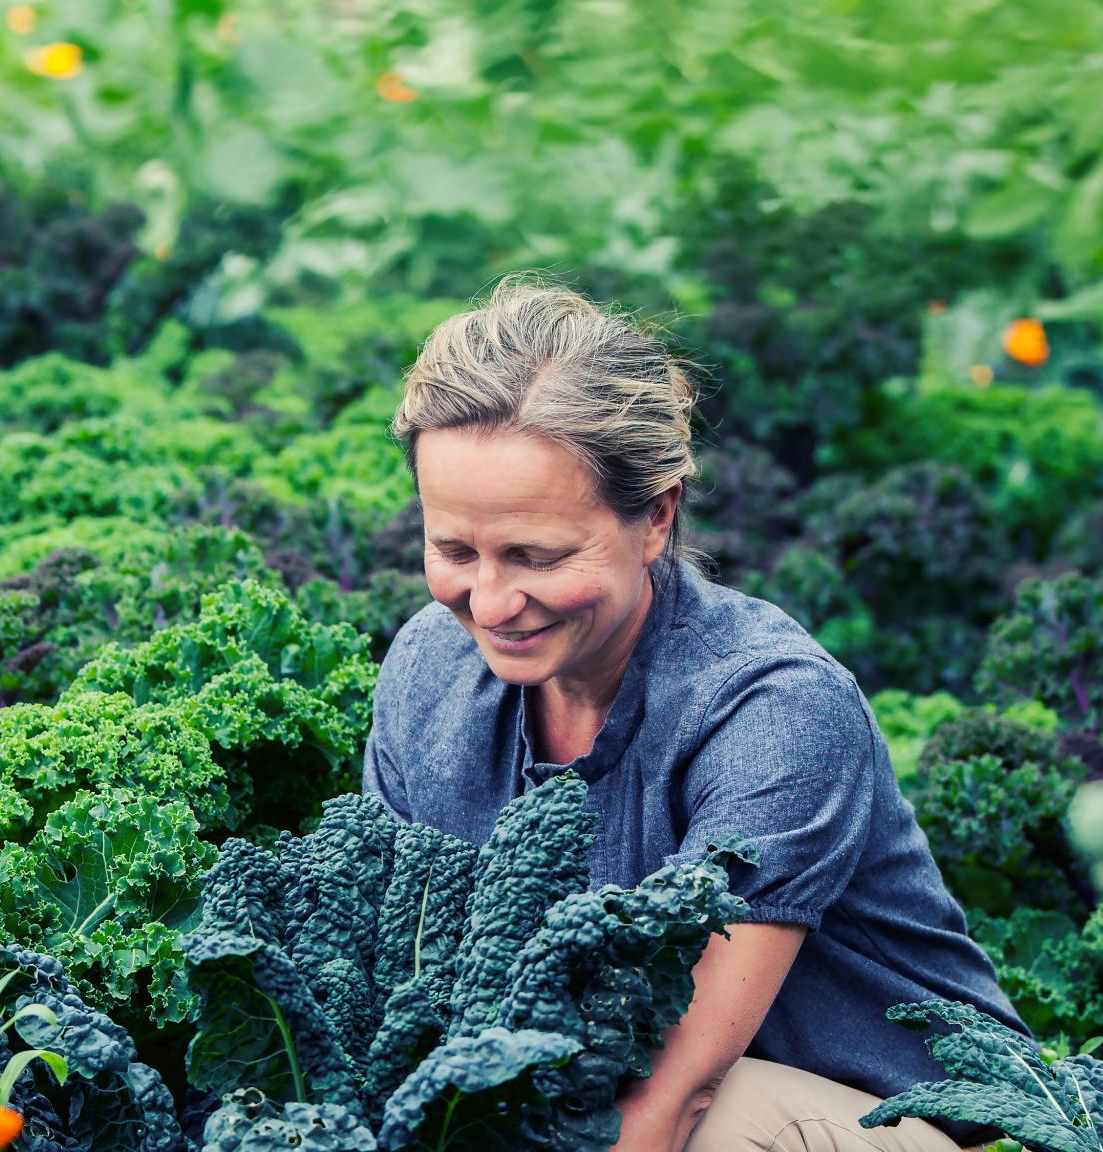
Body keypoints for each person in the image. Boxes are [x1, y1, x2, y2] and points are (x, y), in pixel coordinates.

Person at [361, 275, 1024, 1152]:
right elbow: (384, 993)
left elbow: (676, 1091)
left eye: (536, 554)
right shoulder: (427, 670)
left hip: (864, 1120)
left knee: (724, 1124)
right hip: (576, 1099)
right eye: (453, 549)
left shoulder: (771, 711)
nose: (489, 602)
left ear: (656, 519)